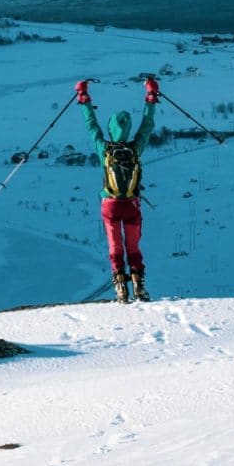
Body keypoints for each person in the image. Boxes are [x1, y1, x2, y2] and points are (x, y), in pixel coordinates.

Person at [78, 76, 158, 303]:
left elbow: (91, 125)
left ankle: (120, 288)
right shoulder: (135, 148)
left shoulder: (104, 149)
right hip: (132, 204)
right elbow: (147, 125)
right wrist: (151, 96)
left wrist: (83, 98)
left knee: (116, 247)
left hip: (110, 204)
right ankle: (139, 287)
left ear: (112, 128)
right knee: (133, 247)